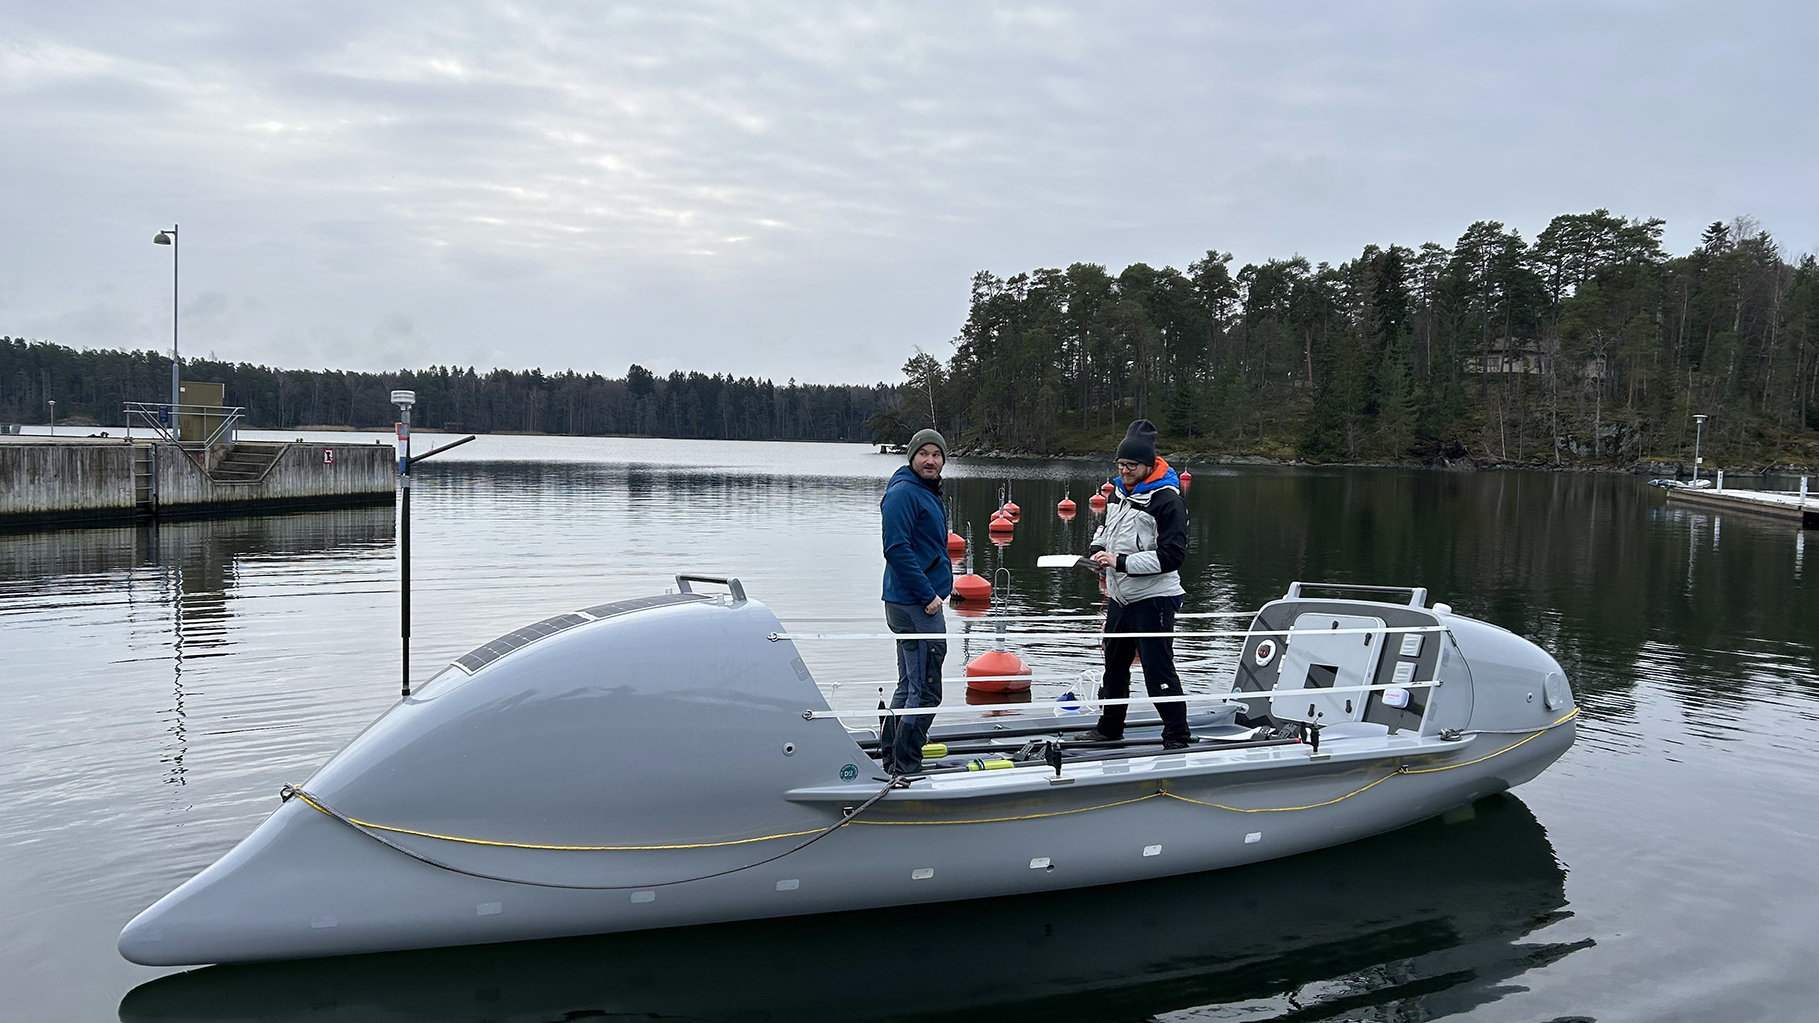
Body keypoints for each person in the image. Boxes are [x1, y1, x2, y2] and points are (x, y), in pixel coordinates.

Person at [1077, 420, 1192, 749]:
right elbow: (1105, 531)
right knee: (1113, 669)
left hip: (1155, 599)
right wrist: (1097, 552)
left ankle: (1176, 736)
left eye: (1131, 465)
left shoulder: (1168, 501)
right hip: (1120, 598)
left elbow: (1172, 557)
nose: (1124, 471)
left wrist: (1121, 562)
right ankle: (1109, 728)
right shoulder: (1118, 494)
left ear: (1148, 465)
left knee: (1158, 671)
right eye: (1120, 464)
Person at [878, 428, 953, 774]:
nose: (930, 460)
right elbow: (896, 549)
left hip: (913, 599)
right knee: (925, 689)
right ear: (911, 457)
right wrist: (929, 595)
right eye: (923, 453)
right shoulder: (904, 494)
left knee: (910, 683)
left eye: (936, 455)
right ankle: (907, 764)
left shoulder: (924, 490)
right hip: (916, 604)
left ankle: (892, 757)